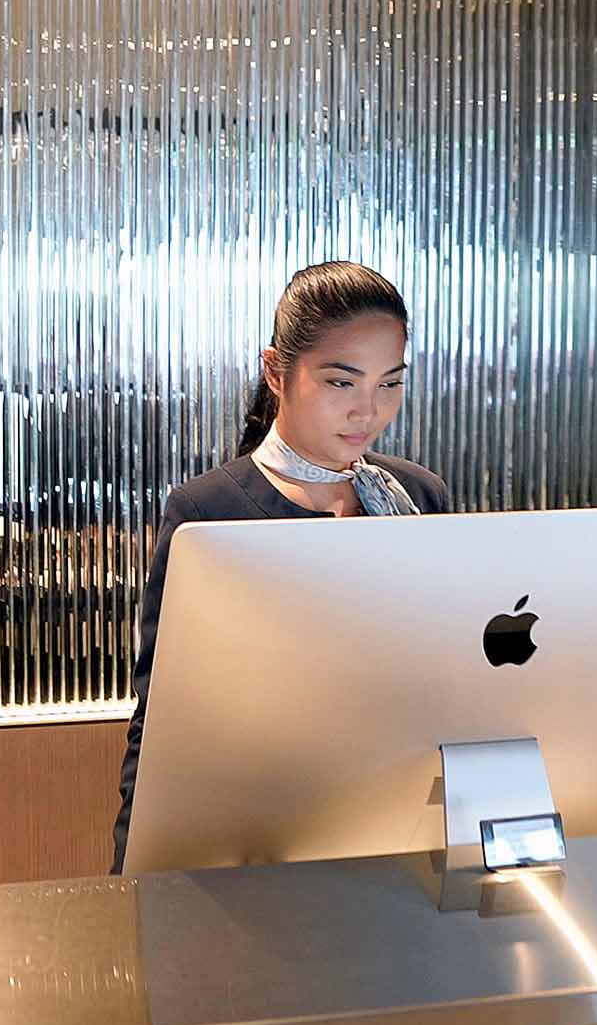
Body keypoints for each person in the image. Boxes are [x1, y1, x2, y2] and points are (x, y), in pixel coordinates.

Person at [110, 261, 452, 872]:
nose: (368, 412)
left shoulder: (420, 497)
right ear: (276, 372)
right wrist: (133, 875)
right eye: (342, 383)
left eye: (390, 384)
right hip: (261, 838)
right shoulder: (210, 512)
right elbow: (162, 721)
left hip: (401, 826)